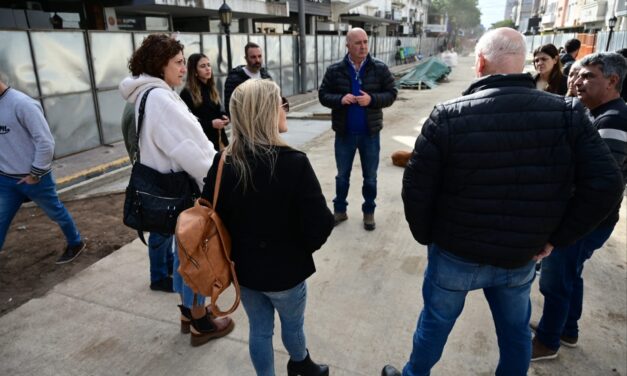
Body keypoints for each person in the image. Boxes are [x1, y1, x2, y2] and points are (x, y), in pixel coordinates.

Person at [382, 28, 624, 376]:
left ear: (480, 62)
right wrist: (557, 238)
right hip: (520, 256)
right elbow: (607, 183)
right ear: (522, 62)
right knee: (514, 334)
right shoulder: (567, 113)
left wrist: (428, 236)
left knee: (434, 326)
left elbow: (416, 190)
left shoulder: (447, 115)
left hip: (455, 255)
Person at [202, 79, 334, 376]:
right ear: (266, 113)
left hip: (245, 272)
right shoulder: (295, 163)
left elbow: (212, 213)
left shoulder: (223, 162)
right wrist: (298, 249)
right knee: (293, 325)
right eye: (281, 104)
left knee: (260, 331)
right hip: (287, 274)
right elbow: (320, 224)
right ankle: (301, 364)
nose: (285, 110)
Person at [119, 34, 233, 347]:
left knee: (183, 253)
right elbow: (188, 149)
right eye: (178, 63)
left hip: (166, 186)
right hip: (184, 190)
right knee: (194, 254)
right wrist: (217, 176)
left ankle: (187, 312)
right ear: (160, 64)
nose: (184, 69)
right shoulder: (160, 99)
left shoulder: (146, 95)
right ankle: (200, 321)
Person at [531, 51, 627, 361]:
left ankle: (547, 342)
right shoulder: (595, 112)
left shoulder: (612, 119)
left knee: (555, 281)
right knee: (570, 275)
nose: (578, 81)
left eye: (588, 76)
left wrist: (561, 233)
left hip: (585, 221)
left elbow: (599, 185)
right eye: (577, 74)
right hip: (585, 219)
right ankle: (567, 330)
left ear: (612, 81)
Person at [0, 76, 86, 264]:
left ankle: (76, 242)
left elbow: (45, 142)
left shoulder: (22, 104)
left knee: (55, 212)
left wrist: (35, 173)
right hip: (5, 180)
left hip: (34, 178)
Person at [318, 27, 397, 231]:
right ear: (348, 45)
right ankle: (339, 210)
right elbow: (323, 95)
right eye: (357, 43)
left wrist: (372, 99)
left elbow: (391, 94)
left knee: (370, 176)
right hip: (344, 134)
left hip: (370, 134)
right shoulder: (335, 70)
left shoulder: (379, 68)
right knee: (342, 175)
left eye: (365, 42)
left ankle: (368, 212)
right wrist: (340, 99)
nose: (363, 46)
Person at [120, 101, 174, 293]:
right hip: (153, 176)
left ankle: (166, 266)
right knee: (160, 227)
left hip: (151, 175)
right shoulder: (144, 103)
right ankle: (158, 277)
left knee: (165, 226)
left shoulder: (137, 102)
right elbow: (139, 145)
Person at [180, 53, 230, 152]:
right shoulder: (187, 93)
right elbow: (188, 122)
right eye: (203, 66)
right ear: (195, 71)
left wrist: (224, 117)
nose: (208, 69)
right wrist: (211, 124)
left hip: (219, 140)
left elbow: (217, 111)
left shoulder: (211, 88)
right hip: (202, 144)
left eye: (208, 65)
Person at [223, 42, 271, 117]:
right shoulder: (234, 79)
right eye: (253, 57)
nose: (257, 60)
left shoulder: (265, 75)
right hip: (245, 125)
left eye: (259, 56)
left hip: (265, 122)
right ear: (246, 58)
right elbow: (230, 107)